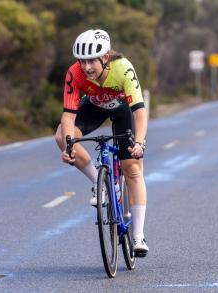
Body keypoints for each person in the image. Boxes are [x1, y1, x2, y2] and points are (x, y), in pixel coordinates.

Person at [54, 29, 149, 256]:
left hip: (122, 110)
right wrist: (69, 146)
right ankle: (100, 181)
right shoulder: (74, 74)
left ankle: (138, 236)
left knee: (132, 168)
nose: (86, 67)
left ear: (105, 57)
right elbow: (68, 116)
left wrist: (139, 142)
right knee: (60, 136)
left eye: (91, 61)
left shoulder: (123, 68)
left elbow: (139, 111)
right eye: (82, 61)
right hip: (94, 106)